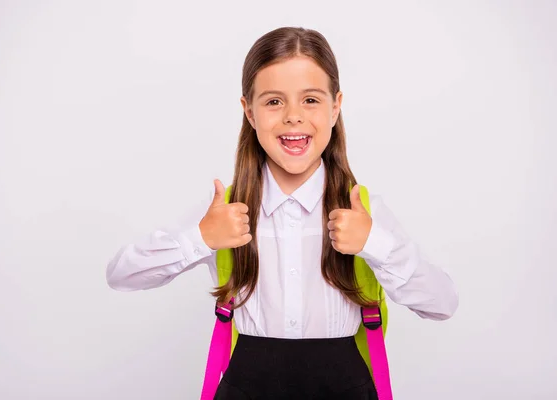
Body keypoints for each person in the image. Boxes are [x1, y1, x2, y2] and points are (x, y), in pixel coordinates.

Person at [106, 26, 458, 400]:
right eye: (274, 101)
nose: (293, 116)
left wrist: (375, 244)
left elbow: (442, 304)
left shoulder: (365, 212)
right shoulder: (221, 211)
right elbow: (121, 276)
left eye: (310, 99)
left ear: (336, 106)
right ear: (249, 111)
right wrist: (200, 239)